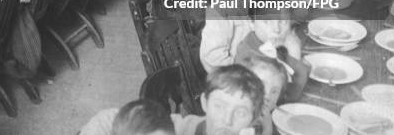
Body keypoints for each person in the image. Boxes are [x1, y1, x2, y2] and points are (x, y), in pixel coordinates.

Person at [80, 65, 264, 135]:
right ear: (204, 103)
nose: (227, 119)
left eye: (241, 112)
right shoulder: (182, 128)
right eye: (220, 106)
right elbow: (109, 118)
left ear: (253, 119)